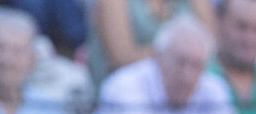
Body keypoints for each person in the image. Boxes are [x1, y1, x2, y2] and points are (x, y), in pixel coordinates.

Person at [77, 13, 252, 114]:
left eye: (196, 65)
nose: (187, 75)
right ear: (158, 57)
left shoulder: (213, 87)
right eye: (180, 62)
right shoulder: (122, 86)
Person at [85, 0, 213, 81]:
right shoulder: (113, 3)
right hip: (127, 97)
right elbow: (122, 59)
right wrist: (179, 53)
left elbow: (210, 49)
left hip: (184, 94)